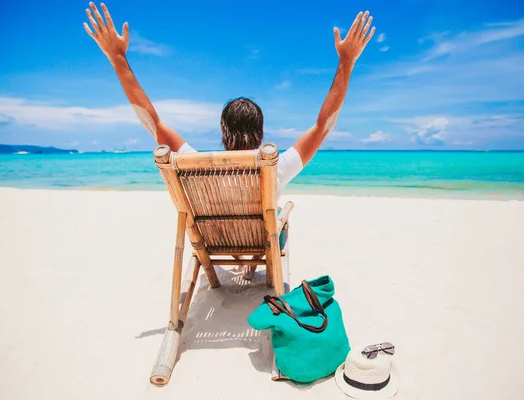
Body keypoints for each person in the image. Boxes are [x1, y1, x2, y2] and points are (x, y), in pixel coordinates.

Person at [84, 2, 375, 277]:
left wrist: (117, 58)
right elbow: (324, 126)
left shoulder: (196, 164)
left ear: (224, 134)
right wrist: (347, 61)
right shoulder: (274, 166)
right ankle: (254, 258)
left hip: (217, 240)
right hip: (261, 241)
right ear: (260, 134)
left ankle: (237, 257)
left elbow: (152, 121)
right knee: (282, 214)